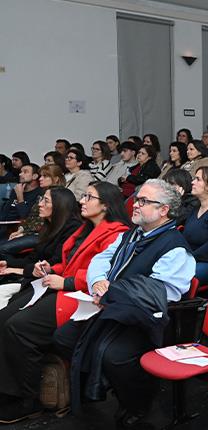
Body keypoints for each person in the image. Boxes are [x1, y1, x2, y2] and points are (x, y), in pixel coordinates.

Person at [52, 179, 195, 427]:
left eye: (144, 201)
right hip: (113, 308)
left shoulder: (175, 247)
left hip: (144, 320)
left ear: (164, 210)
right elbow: (101, 259)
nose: (135, 205)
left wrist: (112, 293)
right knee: (63, 338)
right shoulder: (131, 235)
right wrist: (98, 281)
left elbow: (162, 292)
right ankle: (108, 384)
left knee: (113, 356)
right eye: (136, 199)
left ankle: (137, 402)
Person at [0, 183, 129, 423]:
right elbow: (69, 263)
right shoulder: (85, 228)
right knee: (4, 318)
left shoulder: (117, 233)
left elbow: (105, 274)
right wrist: (52, 268)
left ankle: (29, 400)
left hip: (84, 297)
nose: (82, 200)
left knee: (19, 328)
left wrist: (67, 281)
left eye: (89, 197)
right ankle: (8, 389)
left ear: (105, 205)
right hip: (64, 288)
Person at [0, 187, 81, 296]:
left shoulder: (73, 228)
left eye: (46, 201)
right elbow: (33, 258)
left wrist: (20, 270)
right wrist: (8, 264)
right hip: (35, 275)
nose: (40, 204)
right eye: (41, 199)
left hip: (50, 282)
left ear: (59, 205)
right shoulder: (48, 226)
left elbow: (54, 264)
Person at [2, 165, 66, 247]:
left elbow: (42, 222)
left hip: (43, 235)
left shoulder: (59, 196)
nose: (40, 179)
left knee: (3, 248)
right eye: (41, 176)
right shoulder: (42, 194)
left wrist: (24, 233)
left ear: (56, 179)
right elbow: (31, 217)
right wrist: (21, 230)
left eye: (45, 176)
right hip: (27, 230)